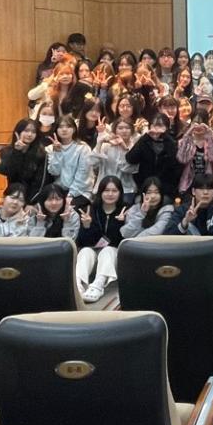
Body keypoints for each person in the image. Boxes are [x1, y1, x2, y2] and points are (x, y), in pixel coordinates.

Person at [76, 175, 128, 303]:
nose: (110, 194)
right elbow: (83, 242)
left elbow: (121, 240)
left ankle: (98, 285)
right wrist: (87, 226)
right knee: (85, 251)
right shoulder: (91, 210)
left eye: (114, 191)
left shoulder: (126, 210)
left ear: (120, 192)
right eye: (106, 190)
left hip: (113, 257)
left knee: (108, 250)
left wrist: (121, 223)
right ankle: (78, 284)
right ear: (100, 192)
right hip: (94, 253)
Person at [125, 113, 180, 199]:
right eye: (154, 125)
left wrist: (166, 137)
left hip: (165, 189)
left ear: (166, 127)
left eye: (160, 125)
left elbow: (175, 166)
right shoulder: (144, 141)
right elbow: (130, 159)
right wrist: (145, 137)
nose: (156, 129)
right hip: (144, 187)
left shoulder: (171, 143)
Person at [0, 118, 49, 204]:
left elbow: (40, 183)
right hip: (13, 195)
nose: (30, 134)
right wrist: (17, 152)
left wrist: (30, 203)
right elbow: (5, 171)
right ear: (18, 132)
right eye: (26, 131)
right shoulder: (6, 151)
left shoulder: (41, 154)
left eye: (33, 132)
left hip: (33, 198)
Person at [89, 118, 138, 204]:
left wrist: (124, 148)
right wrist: (100, 142)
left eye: (127, 128)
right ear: (115, 130)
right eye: (120, 128)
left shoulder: (134, 147)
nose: (124, 131)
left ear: (132, 131)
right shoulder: (107, 146)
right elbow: (92, 163)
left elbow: (127, 169)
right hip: (104, 187)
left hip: (126, 189)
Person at [46, 115, 93, 200]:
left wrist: (71, 195)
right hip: (58, 192)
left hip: (81, 191)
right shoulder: (50, 148)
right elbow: (54, 172)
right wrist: (57, 152)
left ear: (74, 129)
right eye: (60, 127)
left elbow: (83, 175)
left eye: (68, 126)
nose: (64, 129)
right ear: (56, 130)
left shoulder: (83, 148)